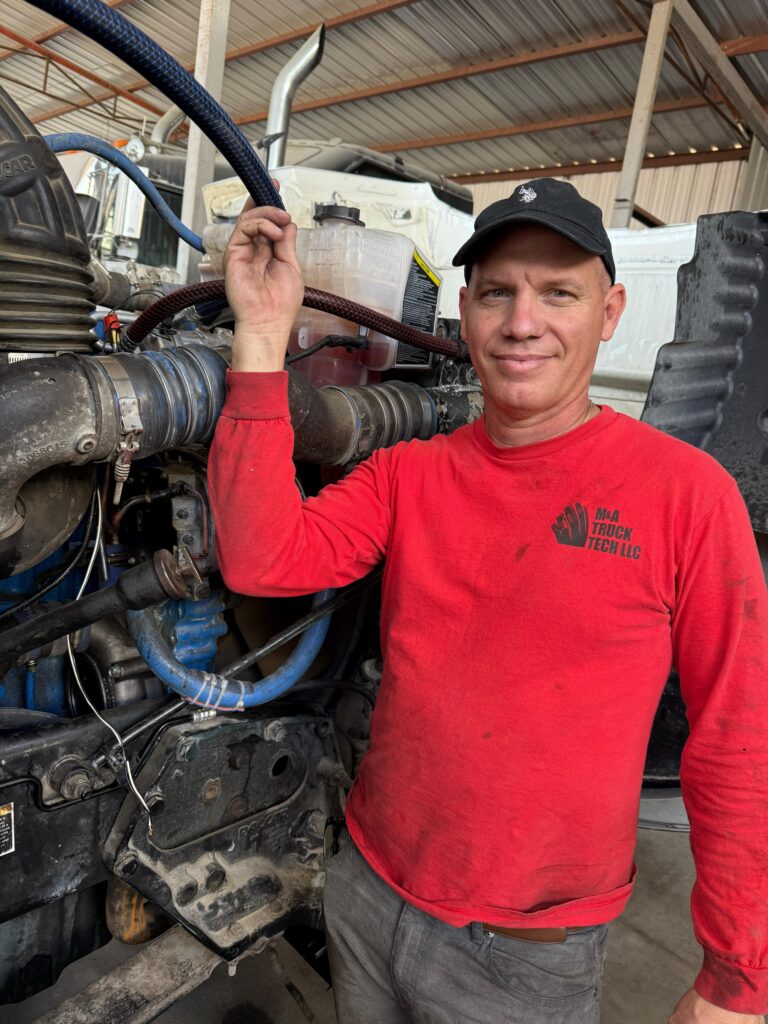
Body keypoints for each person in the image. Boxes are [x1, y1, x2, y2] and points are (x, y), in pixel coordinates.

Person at [208, 178, 768, 1024]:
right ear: (465, 313)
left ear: (610, 313)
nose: (522, 322)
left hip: (524, 953)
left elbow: (738, 736)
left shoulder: (685, 495)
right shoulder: (411, 473)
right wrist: (259, 335)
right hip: (367, 891)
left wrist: (738, 975)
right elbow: (260, 558)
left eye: (559, 293)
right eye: (498, 293)